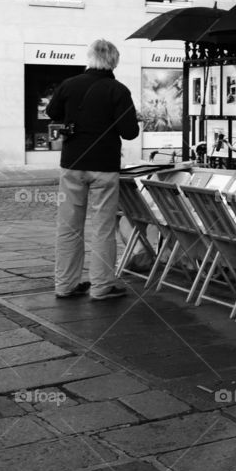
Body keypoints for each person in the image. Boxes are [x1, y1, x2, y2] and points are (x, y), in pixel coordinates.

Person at [47, 39, 140, 301]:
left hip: (73, 164)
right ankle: (101, 287)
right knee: (103, 227)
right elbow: (130, 132)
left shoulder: (69, 84)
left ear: (89, 58)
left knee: (68, 226)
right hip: (104, 166)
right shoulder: (118, 90)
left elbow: (52, 111)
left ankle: (65, 285)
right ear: (114, 61)